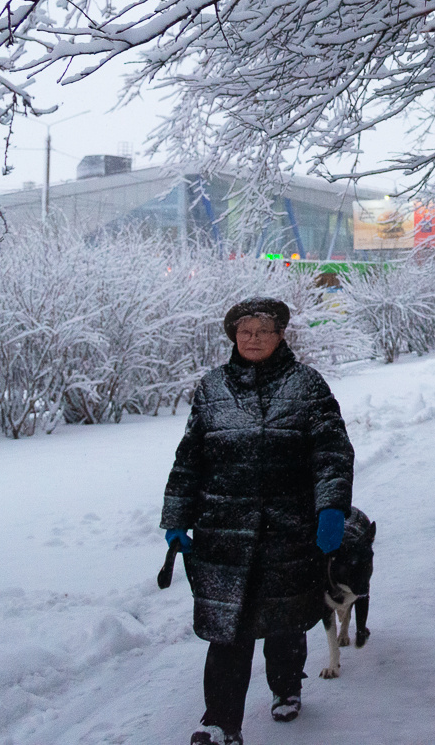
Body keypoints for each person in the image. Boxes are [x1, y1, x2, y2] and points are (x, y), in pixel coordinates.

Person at [162, 297, 355, 745]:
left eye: (263, 331)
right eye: (245, 331)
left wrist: (330, 507)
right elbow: (189, 457)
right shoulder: (212, 388)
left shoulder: (306, 385)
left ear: (281, 335)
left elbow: (331, 451)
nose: (253, 339)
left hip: (287, 527)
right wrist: (176, 517)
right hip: (224, 531)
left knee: (284, 619)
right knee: (229, 630)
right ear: (233, 336)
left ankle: (287, 686)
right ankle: (220, 722)